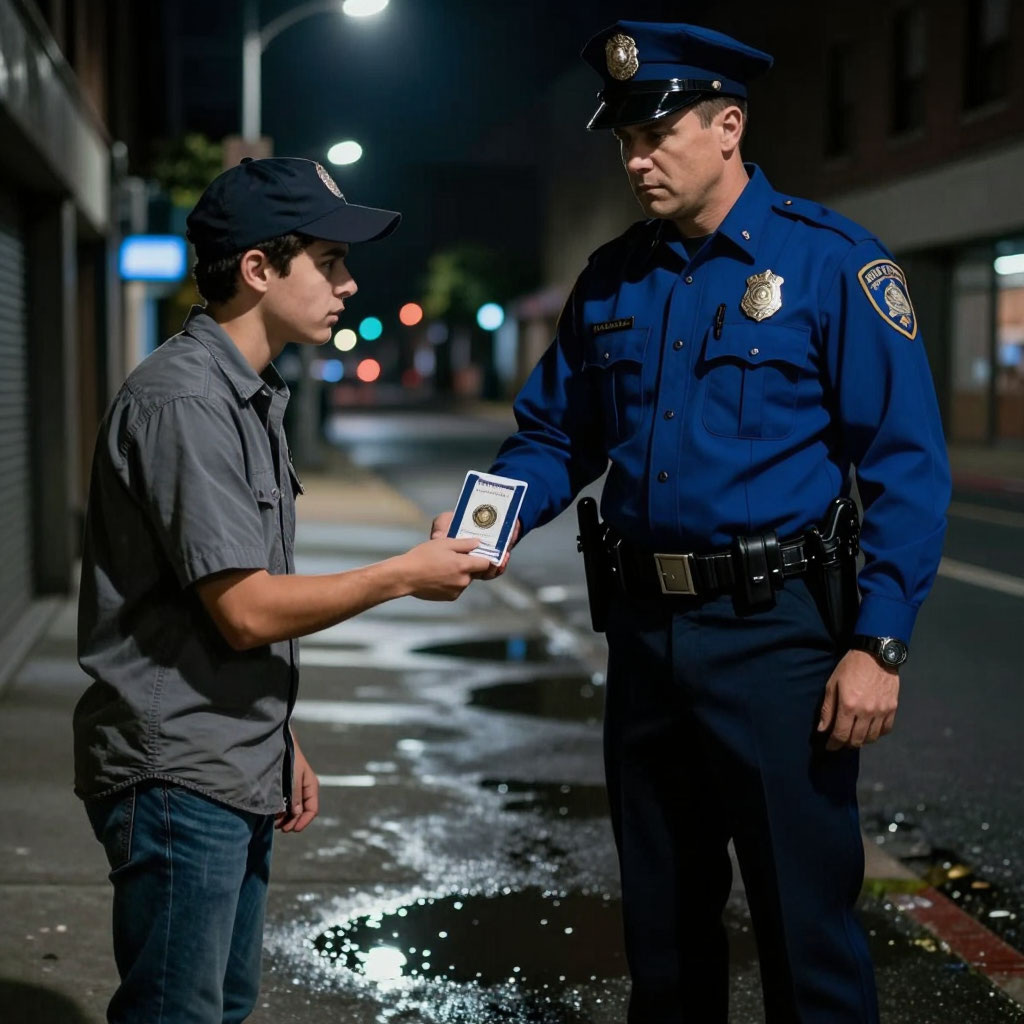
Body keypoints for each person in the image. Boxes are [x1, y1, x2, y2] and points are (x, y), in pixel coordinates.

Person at [434, 21, 950, 1024]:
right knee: (663, 941)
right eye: (622, 137)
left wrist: (876, 643)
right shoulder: (612, 279)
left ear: (727, 125)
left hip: (778, 641)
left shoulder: (831, 265)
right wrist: (482, 523)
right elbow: (552, 434)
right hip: (645, 642)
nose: (633, 157)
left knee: (806, 936)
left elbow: (905, 466)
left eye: (654, 132)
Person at [74, 157, 489, 1024]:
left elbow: (214, 603)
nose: (350, 281)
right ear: (259, 269)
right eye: (330, 261)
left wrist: (277, 734)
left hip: (227, 757)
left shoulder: (246, 395)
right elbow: (246, 609)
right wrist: (402, 575)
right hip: (178, 772)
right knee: (175, 1012)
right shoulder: (185, 401)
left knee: (219, 1005)